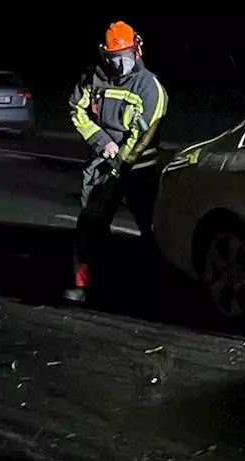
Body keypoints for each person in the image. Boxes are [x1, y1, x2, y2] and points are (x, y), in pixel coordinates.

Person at [63, 21, 168, 303]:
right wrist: (101, 142)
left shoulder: (150, 88)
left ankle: (159, 288)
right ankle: (85, 286)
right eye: (113, 58)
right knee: (89, 226)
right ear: (103, 54)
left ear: (137, 50)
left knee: (154, 230)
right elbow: (77, 111)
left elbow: (144, 135)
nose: (120, 65)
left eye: (125, 57)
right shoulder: (92, 80)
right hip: (104, 163)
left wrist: (120, 162)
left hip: (139, 170)